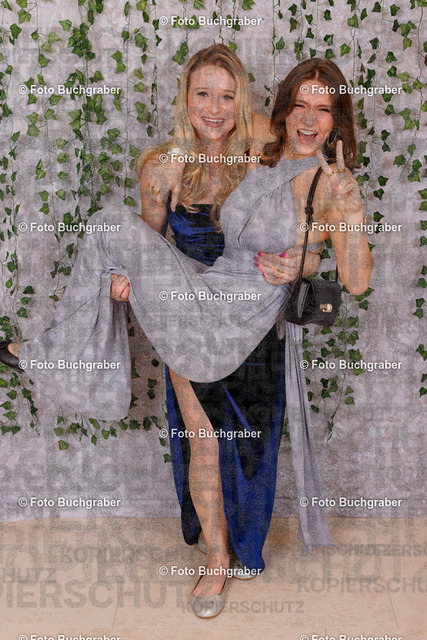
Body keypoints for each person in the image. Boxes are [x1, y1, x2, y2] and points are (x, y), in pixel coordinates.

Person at [1, 52, 372, 617]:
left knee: (238, 443)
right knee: (202, 439)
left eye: (322, 110)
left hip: (247, 325)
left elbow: (354, 277)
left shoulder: (320, 178)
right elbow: (184, 218)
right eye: (299, 105)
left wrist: (341, 225)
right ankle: (216, 560)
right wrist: (130, 272)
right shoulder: (255, 148)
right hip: (196, 297)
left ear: (336, 121)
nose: (307, 119)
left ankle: (60, 359)